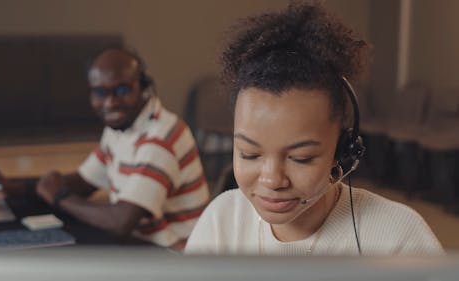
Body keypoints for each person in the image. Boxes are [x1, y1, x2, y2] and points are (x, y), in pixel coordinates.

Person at [185, 1, 444, 256]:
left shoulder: (398, 237)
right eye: (249, 154)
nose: (272, 180)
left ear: (343, 149)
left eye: (301, 158)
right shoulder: (221, 223)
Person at [0, 48, 209, 250]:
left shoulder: (161, 138)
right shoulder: (121, 127)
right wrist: (9, 186)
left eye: (122, 90)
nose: (111, 102)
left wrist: (59, 197)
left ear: (144, 87)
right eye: (101, 92)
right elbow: (82, 183)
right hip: (139, 244)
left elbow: (121, 220)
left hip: (173, 256)